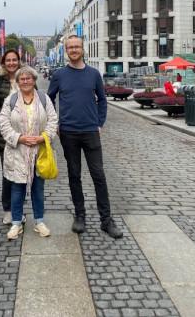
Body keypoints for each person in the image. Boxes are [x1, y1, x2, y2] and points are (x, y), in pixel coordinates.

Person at [47, 35, 123, 239]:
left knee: (99, 175)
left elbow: (102, 100)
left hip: (90, 131)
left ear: (82, 49)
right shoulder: (59, 75)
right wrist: (55, 124)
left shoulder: (94, 74)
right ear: (66, 50)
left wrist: (99, 122)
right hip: (68, 132)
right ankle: (80, 215)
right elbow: (49, 100)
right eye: (70, 47)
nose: (73, 50)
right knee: (74, 175)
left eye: (76, 47)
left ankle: (106, 220)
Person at [0, 66, 58, 240]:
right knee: (17, 189)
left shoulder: (43, 98)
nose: (25, 81)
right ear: (17, 82)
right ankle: (16, 222)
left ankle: (39, 221)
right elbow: (4, 124)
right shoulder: (11, 100)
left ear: (34, 80)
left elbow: (53, 120)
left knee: (38, 188)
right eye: (22, 79)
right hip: (17, 150)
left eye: (29, 78)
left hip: (39, 150)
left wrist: (43, 137)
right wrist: (19, 138)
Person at [0, 49, 22, 225]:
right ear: (3, 62)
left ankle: (19, 209)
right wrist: (5, 113)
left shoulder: (25, 77)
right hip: (4, 134)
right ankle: (8, 210)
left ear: (19, 61)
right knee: (8, 172)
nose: (11, 63)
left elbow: (36, 100)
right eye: (8, 60)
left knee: (22, 173)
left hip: (24, 134)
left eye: (14, 60)